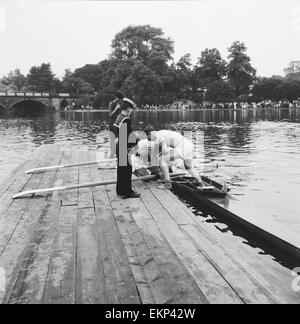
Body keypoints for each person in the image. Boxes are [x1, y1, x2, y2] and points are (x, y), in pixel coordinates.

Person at [113, 98, 141, 199]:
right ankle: (127, 192)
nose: (132, 111)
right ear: (128, 109)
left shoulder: (119, 117)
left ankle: (120, 191)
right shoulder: (126, 119)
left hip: (119, 146)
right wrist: (137, 141)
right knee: (127, 170)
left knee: (121, 170)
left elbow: (118, 133)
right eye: (131, 109)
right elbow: (128, 136)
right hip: (124, 147)